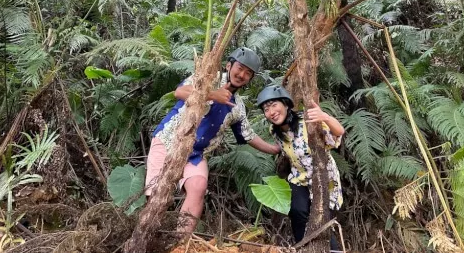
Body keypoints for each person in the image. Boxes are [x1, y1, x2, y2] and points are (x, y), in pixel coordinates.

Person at [145, 47, 280, 233]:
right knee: (156, 194)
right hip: (169, 140)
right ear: (229, 66)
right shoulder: (208, 77)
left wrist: (275, 149)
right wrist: (211, 94)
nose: (241, 75)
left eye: (248, 73)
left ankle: (180, 240)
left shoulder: (237, 107)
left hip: (195, 154)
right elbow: (180, 92)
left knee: (198, 186)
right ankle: (147, 236)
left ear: (250, 79)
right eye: (239, 68)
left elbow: (248, 135)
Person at [257, 84, 345, 251]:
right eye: (266, 109)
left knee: (321, 219)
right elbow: (282, 148)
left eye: (274, 105)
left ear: (286, 104)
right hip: (299, 177)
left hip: (323, 176)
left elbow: (339, 132)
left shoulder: (307, 122)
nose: (271, 112)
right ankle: (302, 248)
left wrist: (325, 117)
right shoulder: (274, 131)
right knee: (297, 212)